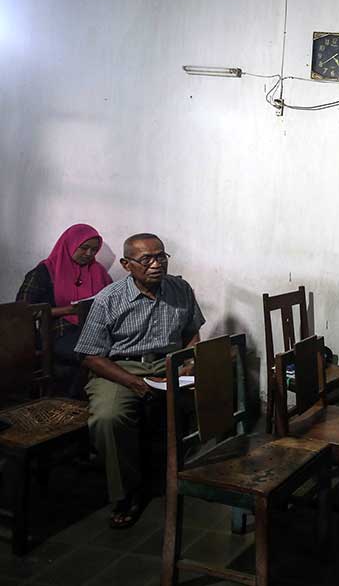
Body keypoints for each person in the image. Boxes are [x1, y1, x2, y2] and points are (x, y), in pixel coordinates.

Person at [75, 233, 205, 529]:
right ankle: (127, 493)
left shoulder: (180, 289)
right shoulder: (109, 299)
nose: (156, 264)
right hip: (119, 368)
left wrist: (189, 362)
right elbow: (90, 356)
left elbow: (191, 332)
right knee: (109, 417)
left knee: (217, 387)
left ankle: (191, 474)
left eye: (161, 257)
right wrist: (135, 383)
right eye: (146, 259)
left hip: (167, 363)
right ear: (126, 264)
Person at [16, 223, 112, 396]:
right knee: (88, 353)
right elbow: (22, 312)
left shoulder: (98, 271)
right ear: (70, 244)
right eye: (84, 248)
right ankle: (70, 403)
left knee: (114, 349)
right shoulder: (45, 271)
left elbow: (113, 299)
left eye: (94, 250)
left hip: (94, 328)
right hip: (58, 331)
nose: (89, 254)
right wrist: (68, 310)